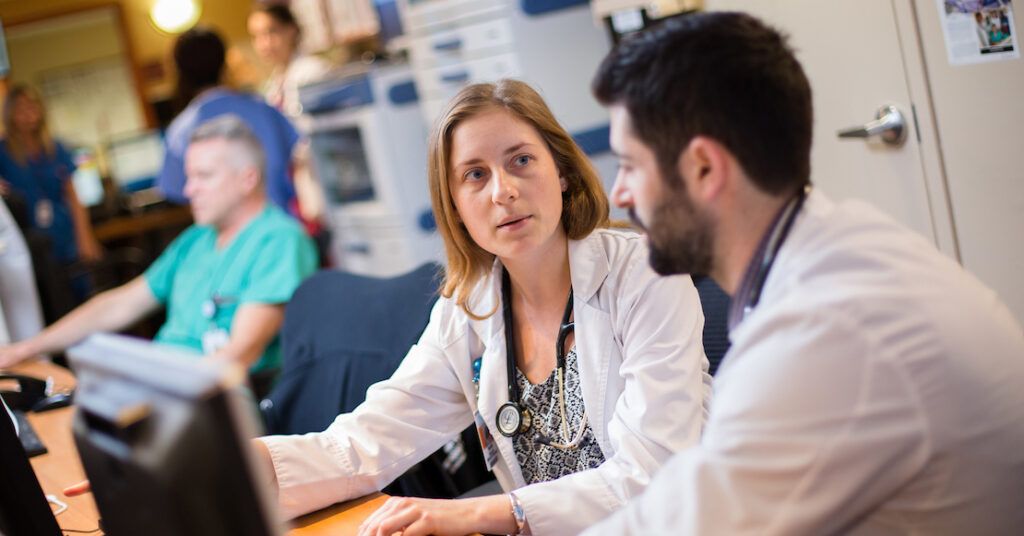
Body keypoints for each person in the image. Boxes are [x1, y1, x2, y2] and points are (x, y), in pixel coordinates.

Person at [584, 11, 1024, 534]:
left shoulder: (825, 330)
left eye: (630, 165)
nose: (619, 195)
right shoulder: (841, 241)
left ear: (704, 168)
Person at [253, 80, 712, 536]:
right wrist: (248, 467)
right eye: (475, 175)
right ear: (454, 207)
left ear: (563, 172)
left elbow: (655, 474)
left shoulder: (644, 274)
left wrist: (484, 513)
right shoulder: (469, 309)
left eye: (522, 160)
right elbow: (367, 441)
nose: (502, 191)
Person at [0, 115, 318, 387]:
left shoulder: (279, 240)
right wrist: (26, 348)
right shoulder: (196, 240)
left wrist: (149, 396)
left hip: (211, 399)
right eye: (189, 177)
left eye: (203, 176)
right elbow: (119, 305)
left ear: (248, 178)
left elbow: (240, 355)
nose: (188, 189)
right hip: (164, 386)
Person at [159, 27, 323, 225]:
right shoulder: (262, 109)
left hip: (239, 243)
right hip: (284, 228)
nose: (192, 188)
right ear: (224, 61)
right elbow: (299, 153)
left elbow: (178, 192)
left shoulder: (180, 132)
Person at [0, 85, 102, 299]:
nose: (28, 114)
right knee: (50, 300)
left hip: (64, 236)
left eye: (32, 106)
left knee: (81, 294)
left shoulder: (56, 148)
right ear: (10, 114)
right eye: (21, 109)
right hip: (30, 242)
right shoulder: (3, 152)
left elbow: (73, 197)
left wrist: (85, 237)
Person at [247, 3, 332, 121]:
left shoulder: (314, 71)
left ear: (292, 30)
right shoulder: (274, 83)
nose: (264, 43)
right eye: (256, 36)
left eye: (271, 32)